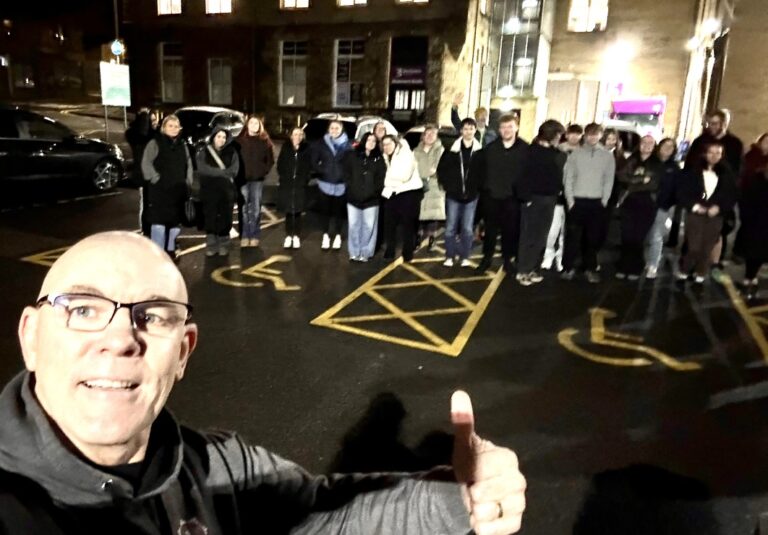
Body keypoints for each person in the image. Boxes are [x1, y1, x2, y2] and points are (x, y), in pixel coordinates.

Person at [0, 231, 526, 534]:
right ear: (31, 336)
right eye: (83, 309)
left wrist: (456, 499)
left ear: (183, 352)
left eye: (155, 316)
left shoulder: (222, 467)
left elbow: (320, 516)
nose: (119, 339)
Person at [684, 110, 744, 265]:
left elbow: (737, 172)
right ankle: (688, 265)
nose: (711, 127)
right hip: (699, 193)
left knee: (716, 233)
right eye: (709, 123)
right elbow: (689, 166)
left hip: (720, 195)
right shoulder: (700, 141)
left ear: (724, 124)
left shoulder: (734, 144)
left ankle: (710, 265)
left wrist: (726, 199)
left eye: (715, 123)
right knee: (693, 234)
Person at [677, 142, 738, 285]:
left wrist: (719, 208)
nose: (714, 156)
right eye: (711, 152)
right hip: (696, 214)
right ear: (705, 154)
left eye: (718, 153)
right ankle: (685, 270)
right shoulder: (693, 172)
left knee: (707, 247)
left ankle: (701, 272)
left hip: (715, 216)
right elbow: (683, 193)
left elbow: (732, 195)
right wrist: (695, 206)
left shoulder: (727, 174)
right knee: (694, 247)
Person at [561, 123, 615, 283]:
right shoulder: (576, 154)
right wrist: (570, 201)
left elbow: (608, 180)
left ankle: (589, 268)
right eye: (589, 134)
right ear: (585, 135)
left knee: (592, 239)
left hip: (596, 203)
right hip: (577, 202)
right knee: (572, 237)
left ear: (600, 135)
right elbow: (568, 178)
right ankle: (568, 268)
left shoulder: (607, 156)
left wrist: (604, 200)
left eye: (595, 134)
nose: (592, 137)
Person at [475, 114, 529, 274]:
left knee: (510, 232)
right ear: (499, 129)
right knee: (489, 231)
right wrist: (485, 190)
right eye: (503, 127)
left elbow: (528, 174)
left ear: (516, 128)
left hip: (512, 199)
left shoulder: (525, 149)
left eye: (510, 127)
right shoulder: (490, 149)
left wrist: (523, 195)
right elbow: (481, 171)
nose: (506, 130)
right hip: (492, 197)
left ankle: (507, 261)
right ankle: (486, 259)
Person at [516, 120, 567, 286]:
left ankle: (532, 268)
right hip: (533, 199)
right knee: (528, 235)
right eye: (558, 135)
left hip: (550, 199)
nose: (560, 138)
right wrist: (526, 198)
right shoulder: (530, 152)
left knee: (541, 236)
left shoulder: (555, 153)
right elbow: (521, 177)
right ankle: (522, 270)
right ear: (550, 134)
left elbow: (557, 176)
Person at [141, 114, 193, 260]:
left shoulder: (182, 144)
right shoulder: (155, 143)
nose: (174, 129)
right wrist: (155, 178)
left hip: (178, 190)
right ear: (164, 127)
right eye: (170, 126)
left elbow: (188, 164)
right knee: (159, 222)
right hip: (160, 191)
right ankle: (158, 253)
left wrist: (188, 181)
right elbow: (146, 163)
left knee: (174, 223)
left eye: (176, 126)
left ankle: (171, 249)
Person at [437, 118, 484, 268]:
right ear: (461, 131)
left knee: (467, 228)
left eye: (471, 129)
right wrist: (448, 186)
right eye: (465, 128)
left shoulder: (480, 152)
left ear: (475, 131)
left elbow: (484, 173)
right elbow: (442, 170)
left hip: (471, 196)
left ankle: (465, 256)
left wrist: (477, 188)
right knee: (450, 227)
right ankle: (449, 256)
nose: (468, 131)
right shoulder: (452, 150)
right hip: (453, 195)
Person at [614, 135, 662, 280]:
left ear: (654, 146)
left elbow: (653, 183)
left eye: (650, 143)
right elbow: (622, 177)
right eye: (644, 142)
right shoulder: (632, 159)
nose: (647, 145)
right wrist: (641, 179)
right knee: (626, 235)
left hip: (647, 203)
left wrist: (633, 180)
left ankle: (635, 268)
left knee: (638, 237)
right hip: (629, 201)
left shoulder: (657, 163)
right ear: (639, 144)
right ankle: (623, 266)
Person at [542, 124, 583, 272]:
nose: (574, 137)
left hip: (575, 196)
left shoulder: (584, 152)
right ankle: (548, 255)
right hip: (557, 195)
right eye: (571, 133)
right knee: (552, 229)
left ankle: (561, 258)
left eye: (577, 134)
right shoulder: (557, 150)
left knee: (568, 232)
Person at [196, 127, 239, 257]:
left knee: (225, 218)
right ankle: (211, 245)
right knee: (210, 216)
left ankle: (224, 245)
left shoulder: (232, 152)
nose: (221, 139)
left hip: (226, 191)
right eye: (218, 136)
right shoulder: (204, 152)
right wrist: (221, 173)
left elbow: (234, 170)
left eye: (224, 137)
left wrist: (215, 173)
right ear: (213, 137)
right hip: (209, 191)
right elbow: (202, 169)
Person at [381, 135, 424, 262]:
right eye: (384, 144)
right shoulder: (386, 156)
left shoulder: (406, 154)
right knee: (389, 224)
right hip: (393, 193)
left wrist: (389, 180)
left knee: (408, 225)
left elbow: (404, 176)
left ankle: (408, 253)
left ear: (395, 143)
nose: (386, 147)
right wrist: (391, 181)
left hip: (409, 193)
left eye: (389, 143)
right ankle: (390, 250)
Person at [343, 132, 386, 262]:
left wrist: (375, 192)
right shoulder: (353, 155)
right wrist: (350, 188)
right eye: (369, 140)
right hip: (353, 198)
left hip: (371, 200)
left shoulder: (378, 159)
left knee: (369, 226)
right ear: (363, 141)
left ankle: (365, 252)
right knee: (354, 225)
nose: (371, 143)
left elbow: (381, 178)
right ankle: (354, 251)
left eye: (374, 141)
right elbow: (347, 173)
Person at [734, 139, 768, 298]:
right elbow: (746, 198)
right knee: (753, 252)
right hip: (755, 221)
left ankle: (751, 279)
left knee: (760, 253)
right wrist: (746, 216)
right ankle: (749, 278)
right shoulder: (757, 180)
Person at [311, 120, 352, 250]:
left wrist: (346, 176)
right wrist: (322, 170)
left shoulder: (348, 145)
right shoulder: (321, 143)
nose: (334, 130)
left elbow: (351, 163)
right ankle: (326, 235)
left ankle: (338, 236)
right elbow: (314, 161)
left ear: (342, 130)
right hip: (325, 183)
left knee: (338, 212)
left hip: (341, 184)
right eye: (332, 128)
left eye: (337, 128)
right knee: (325, 212)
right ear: (328, 130)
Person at [236, 115, 275, 249]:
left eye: (256, 123)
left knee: (256, 209)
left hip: (257, 180)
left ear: (260, 126)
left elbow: (270, 160)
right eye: (251, 123)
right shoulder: (240, 141)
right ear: (247, 125)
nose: (253, 125)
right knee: (244, 209)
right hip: (243, 180)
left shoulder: (265, 141)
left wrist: (263, 171)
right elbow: (234, 159)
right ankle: (245, 235)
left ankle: (255, 235)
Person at [645, 138, 680, 279]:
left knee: (656, 235)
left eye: (671, 147)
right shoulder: (650, 162)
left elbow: (677, 189)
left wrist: (669, 203)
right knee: (645, 234)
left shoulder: (674, 167)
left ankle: (653, 265)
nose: (667, 148)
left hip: (663, 206)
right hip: (645, 203)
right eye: (665, 145)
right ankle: (647, 260)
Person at [125, 108, 159, 237]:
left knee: (152, 203)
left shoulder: (152, 134)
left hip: (153, 175)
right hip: (145, 175)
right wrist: (145, 115)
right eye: (152, 120)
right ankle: (147, 230)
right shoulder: (139, 136)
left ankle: (150, 229)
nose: (155, 123)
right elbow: (143, 134)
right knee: (147, 204)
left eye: (156, 120)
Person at [276, 127, 311, 249]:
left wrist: (305, 179)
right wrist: (285, 177)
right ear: (291, 136)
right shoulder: (286, 148)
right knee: (288, 211)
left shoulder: (306, 149)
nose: (298, 136)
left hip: (300, 185)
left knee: (297, 211)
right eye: (295, 134)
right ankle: (288, 235)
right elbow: (280, 165)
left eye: (300, 134)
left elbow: (309, 167)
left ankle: (296, 235)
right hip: (287, 184)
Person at [414, 125, 446, 250]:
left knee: (433, 215)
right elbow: (413, 167)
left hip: (435, 186)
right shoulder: (416, 151)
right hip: (419, 185)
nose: (429, 136)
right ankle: (418, 237)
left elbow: (440, 169)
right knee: (419, 215)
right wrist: (429, 172)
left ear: (436, 136)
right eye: (427, 133)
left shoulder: (440, 150)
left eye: (433, 134)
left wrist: (431, 172)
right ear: (423, 136)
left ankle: (431, 239)